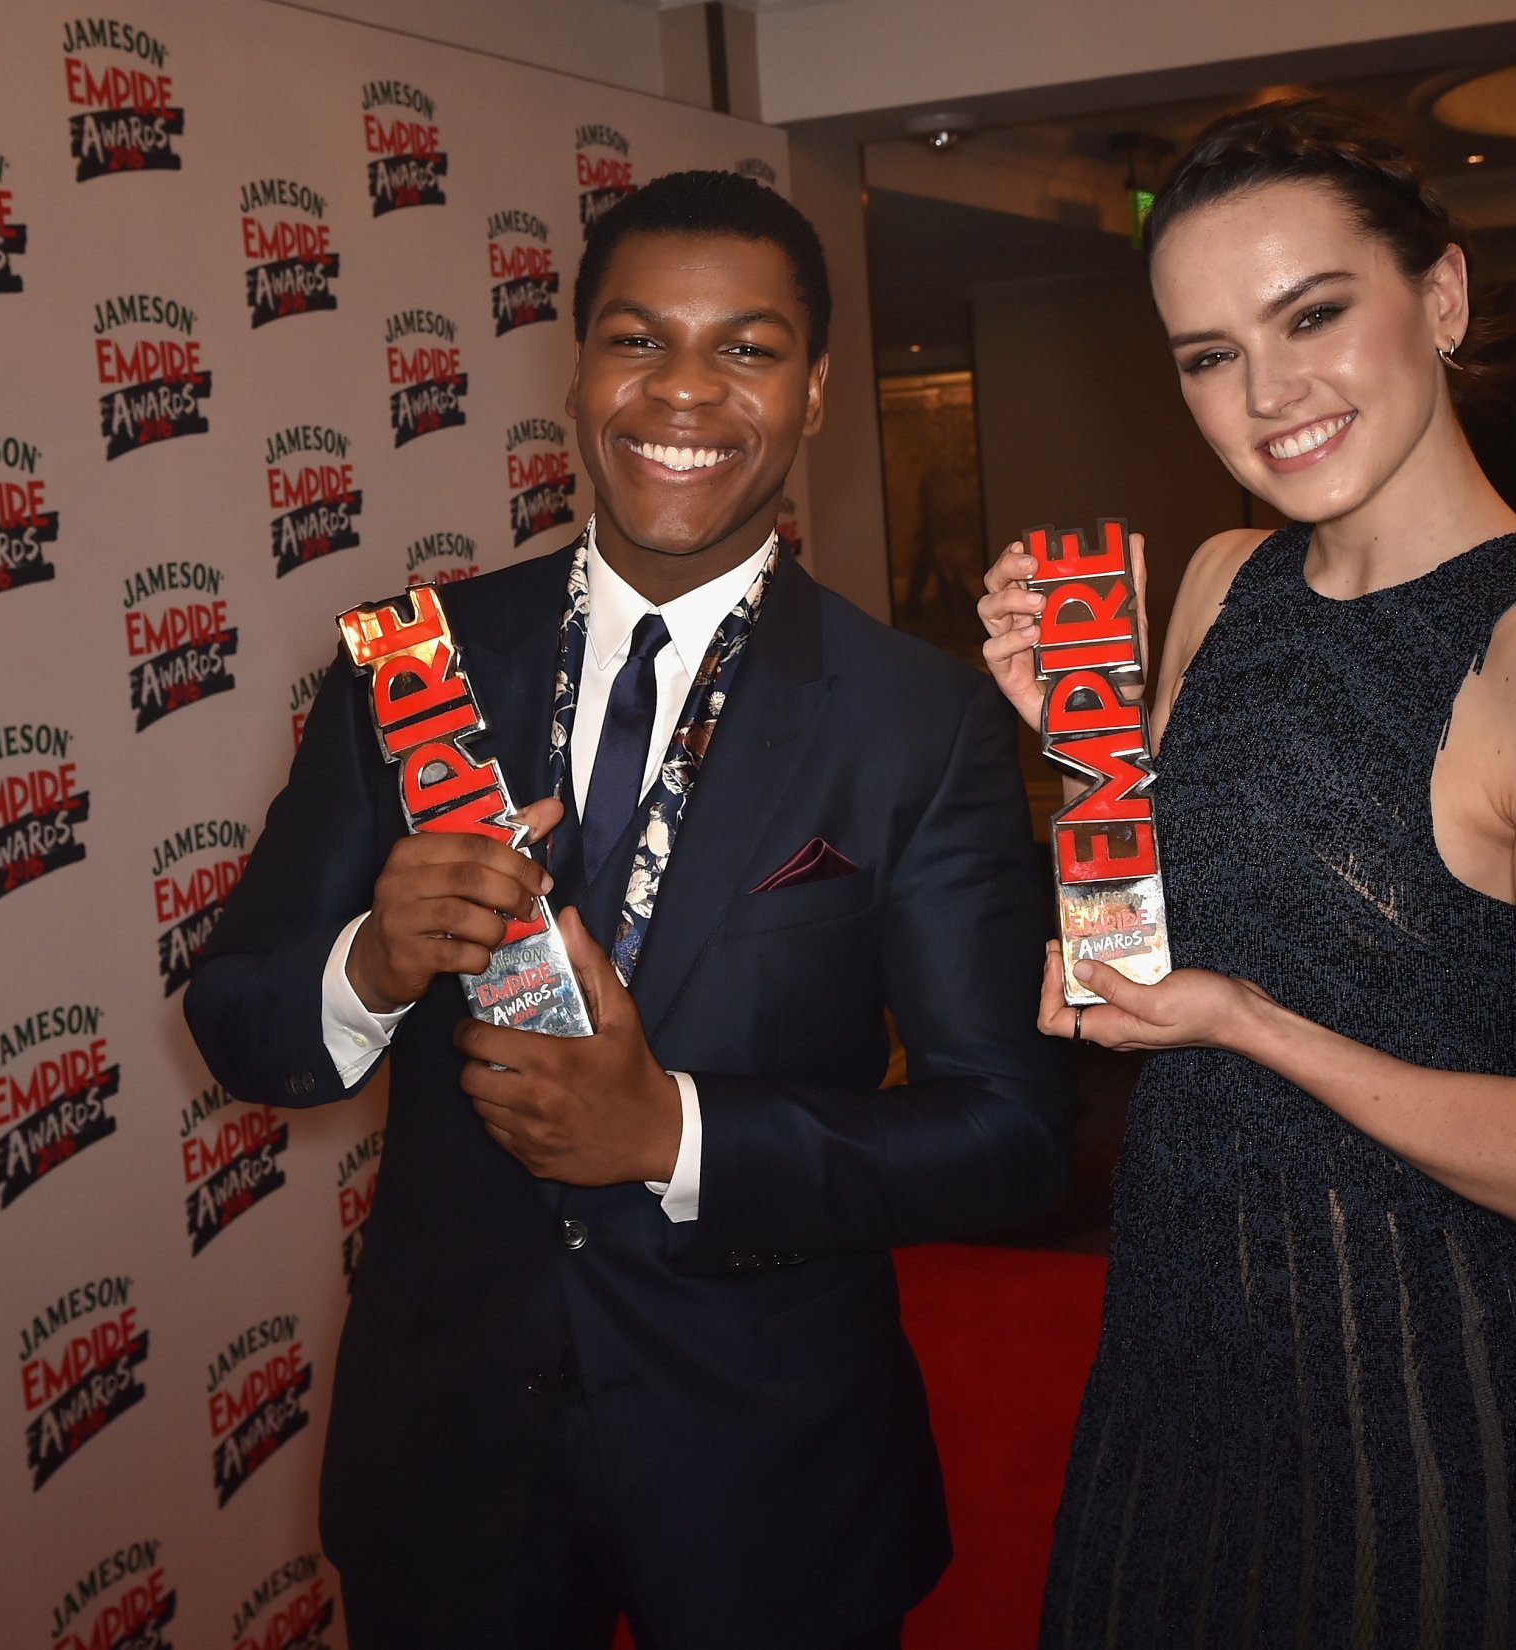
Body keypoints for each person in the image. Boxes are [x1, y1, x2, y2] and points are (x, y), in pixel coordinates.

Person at [187, 171, 1074, 1650]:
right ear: (579, 370)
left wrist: (672, 1134)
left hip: (769, 1469)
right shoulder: (414, 663)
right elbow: (239, 1019)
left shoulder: (918, 723)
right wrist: (376, 959)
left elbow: (1013, 1131)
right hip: (448, 1463)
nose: (683, 390)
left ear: (812, 393)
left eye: (747, 347)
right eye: (636, 338)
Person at [978, 98, 1516, 1647]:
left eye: (1312, 315)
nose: (1268, 394)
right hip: (1170, 1347)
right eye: (1208, 354)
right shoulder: (1221, 578)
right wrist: (1078, 747)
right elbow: (1177, 917)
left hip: (1411, 1406)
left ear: (1438, 298)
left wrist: (1250, 1025)